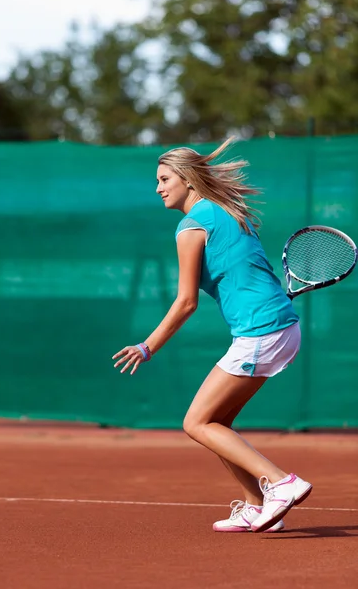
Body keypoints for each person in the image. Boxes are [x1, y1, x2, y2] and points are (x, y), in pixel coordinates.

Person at [112, 137, 312, 533]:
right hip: (280, 327)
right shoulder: (228, 212)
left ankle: (281, 483)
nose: (158, 188)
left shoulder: (192, 225)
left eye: (165, 178)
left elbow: (186, 302)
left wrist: (146, 346)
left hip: (261, 331)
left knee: (197, 422)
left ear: (187, 179)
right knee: (218, 421)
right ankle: (256, 505)